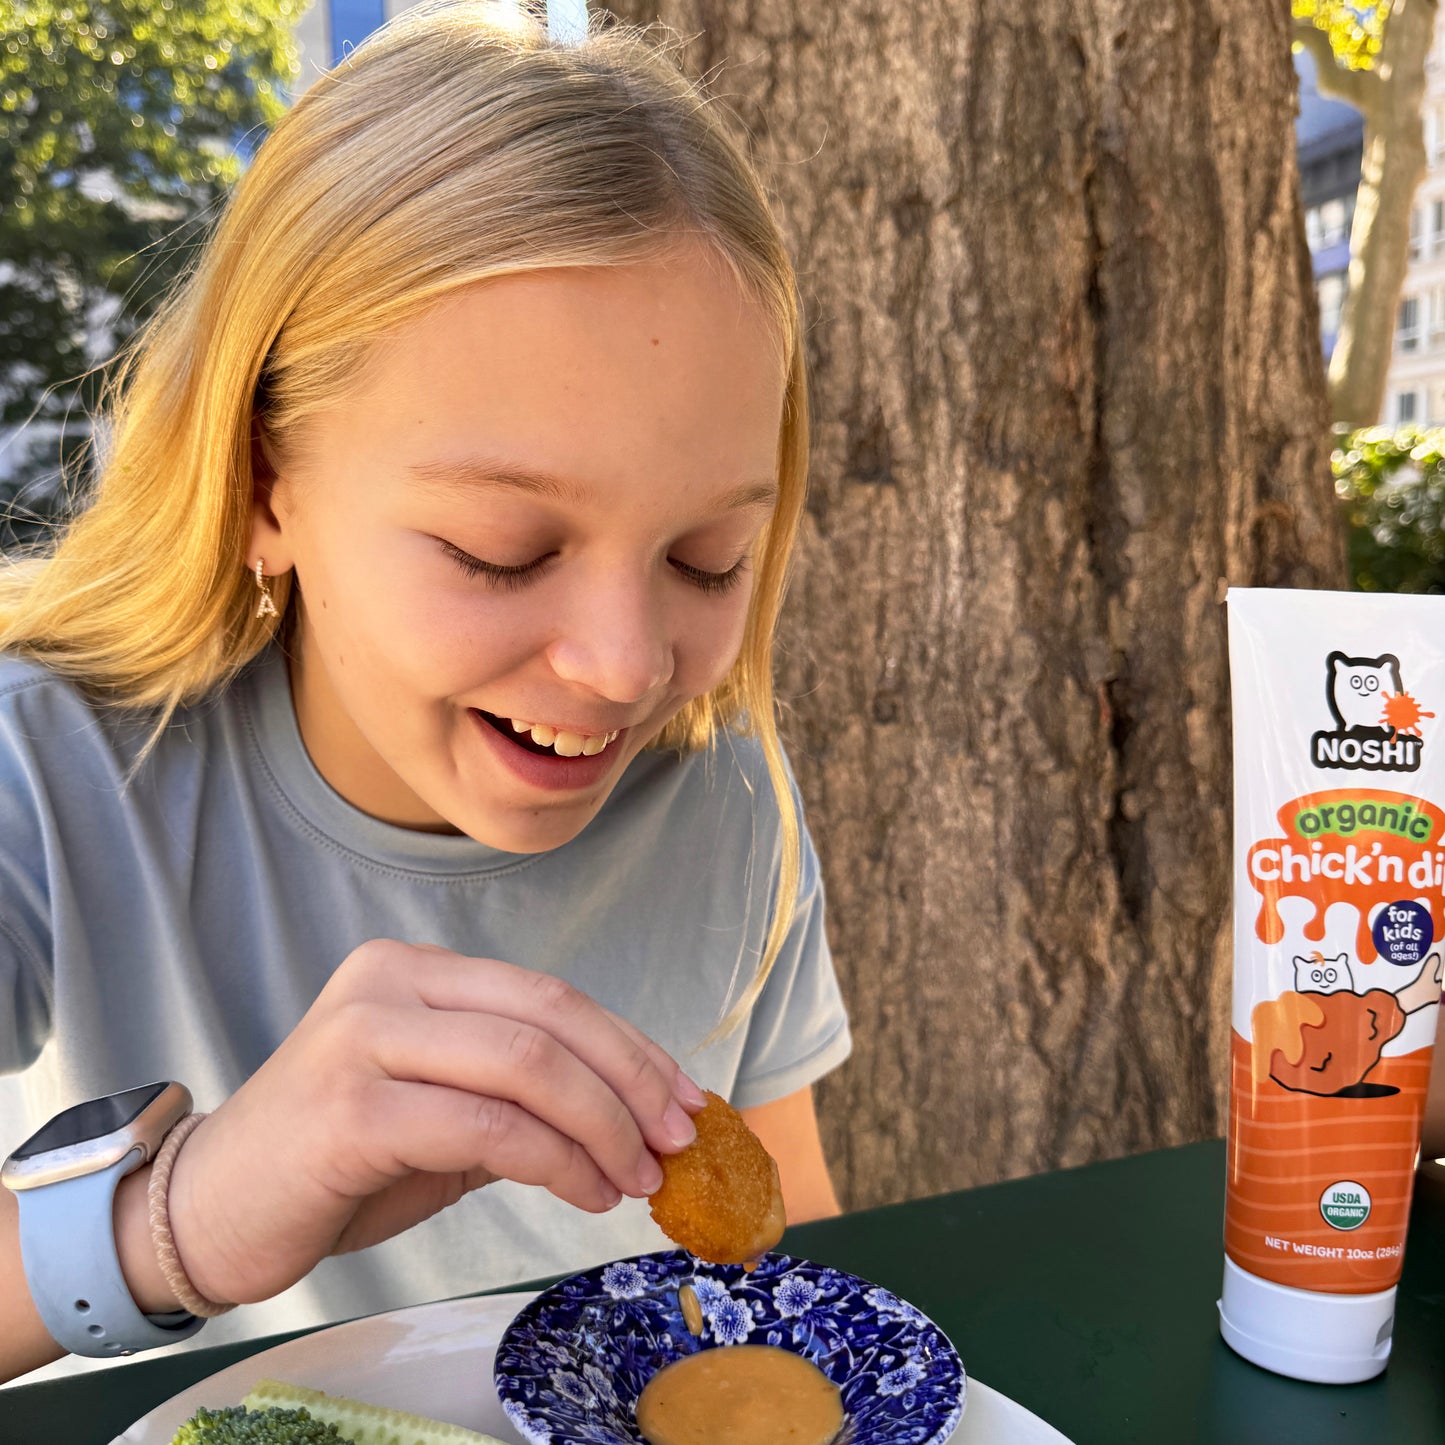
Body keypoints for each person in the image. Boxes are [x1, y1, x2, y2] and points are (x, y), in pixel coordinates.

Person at [0, 1, 851, 1385]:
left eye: (709, 559)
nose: (626, 665)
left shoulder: (723, 789)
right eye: (499, 551)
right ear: (266, 482)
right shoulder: (47, 771)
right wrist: (182, 1221)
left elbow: (782, 1220)